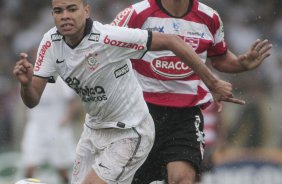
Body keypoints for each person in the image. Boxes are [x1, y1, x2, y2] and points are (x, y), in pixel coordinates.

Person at [13, 0, 245, 184]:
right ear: (52, 14)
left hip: (131, 131)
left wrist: (212, 83)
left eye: (72, 9)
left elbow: (174, 42)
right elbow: (32, 100)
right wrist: (25, 84)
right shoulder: (50, 42)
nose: (65, 15)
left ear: (86, 10)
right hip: (93, 131)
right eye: (58, 10)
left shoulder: (110, 37)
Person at [111, 0, 272, 183]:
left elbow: (219, 58)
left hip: (185, 116)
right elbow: (104, 44)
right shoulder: (137, 13)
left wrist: (240, 64)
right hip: (140, 113)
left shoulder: (209, 17)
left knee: (183, 178)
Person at [21, 77, 78, 184]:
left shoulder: (60, 79)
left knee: (62, 169)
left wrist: (67, 118)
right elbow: (26, 99)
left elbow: (72, 100)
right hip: (36, 128)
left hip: (56, 128)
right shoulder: (32, 78)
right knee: (29, 166)